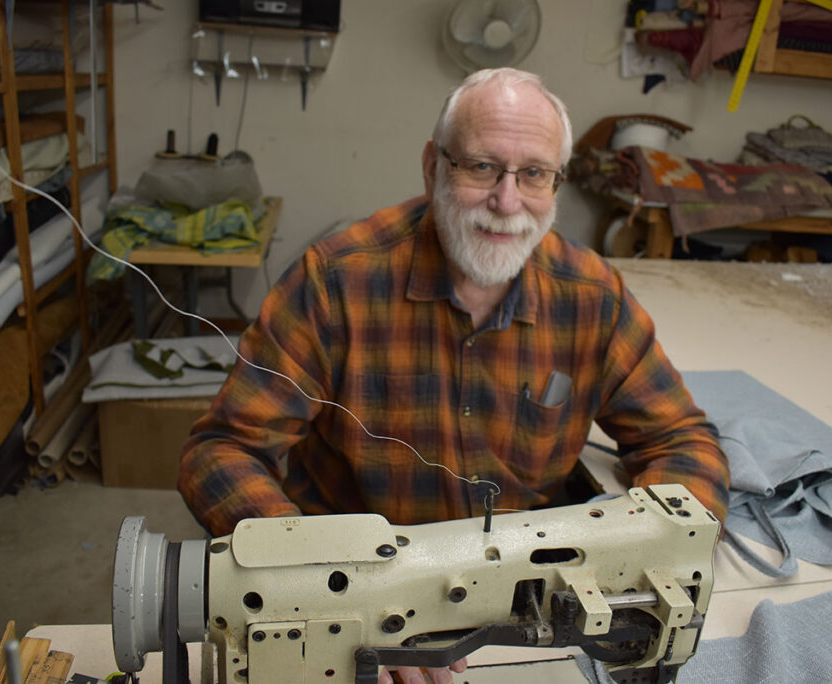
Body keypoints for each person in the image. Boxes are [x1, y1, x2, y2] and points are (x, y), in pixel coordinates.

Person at [179, 67, 729, 684]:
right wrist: (322, 591)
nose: (507, 201)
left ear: (556, 183)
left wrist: (652, 559)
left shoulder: (592, 296)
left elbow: (683, 441)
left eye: (534, 174)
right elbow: (221, 452)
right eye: (481, 167)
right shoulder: (334, 282)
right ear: (432, 166)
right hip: (355, 603)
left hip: (518, 612)